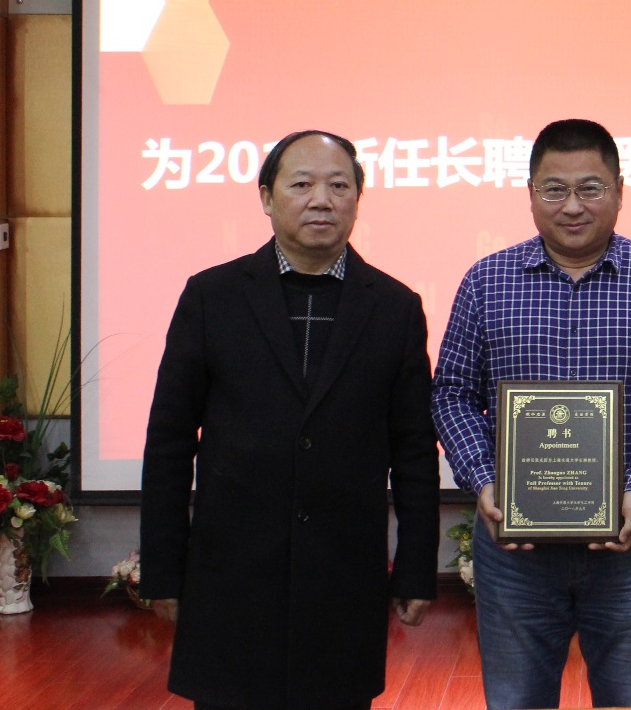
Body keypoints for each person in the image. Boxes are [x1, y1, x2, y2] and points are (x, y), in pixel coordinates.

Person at [140, 130, 440, 710]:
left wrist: (414, 570)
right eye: (301, 184)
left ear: (358, 199)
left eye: (339, 186)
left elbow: (413, 452)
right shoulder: (212, 296)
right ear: (266, 197)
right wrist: (163, 569)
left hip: (343, 577)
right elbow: (170, 442)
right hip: (230, 574)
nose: (321, 200)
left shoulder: (394, 307)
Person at [432, 118, 631, 710]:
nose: (572, 206)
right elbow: (452, 392)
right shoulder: (486, 281)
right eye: (554, 189)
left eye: (590, 188)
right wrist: (482, 480)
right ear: (530, 193)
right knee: (515, 701)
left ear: (619, 190)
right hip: (516, 551)